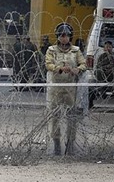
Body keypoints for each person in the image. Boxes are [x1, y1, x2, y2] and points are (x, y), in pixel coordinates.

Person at [45, 23, 86, 155]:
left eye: (67, 36)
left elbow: (83, 64)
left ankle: (70, 143)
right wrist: (59, 69)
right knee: (55, 116)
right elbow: (48, 64)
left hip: (70, 88)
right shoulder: (51, 50)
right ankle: (56, 143)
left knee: (71, 116)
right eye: (62, 36)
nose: (64, 38)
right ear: (58, 37)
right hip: (56, 87)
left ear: (70, 37)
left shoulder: (75, 50)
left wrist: (76, 70)